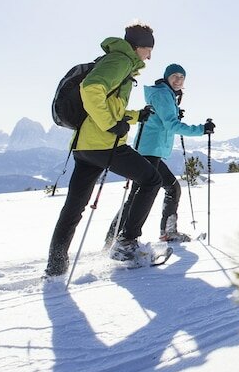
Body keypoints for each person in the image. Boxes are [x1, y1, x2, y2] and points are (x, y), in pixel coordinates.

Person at [44, 23, 163, 277]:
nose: (149, 56)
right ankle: (126, 243)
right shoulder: (120, 61)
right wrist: (111, 125)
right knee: (152, 179)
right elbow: (91, 90)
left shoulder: (117, 61)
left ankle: (56, 266)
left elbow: (109, 106)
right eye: (148, 49)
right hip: (104, 144)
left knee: (74, 207)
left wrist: (134, 116)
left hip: (85, 146)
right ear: (137, 46)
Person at [107, 63, 215, 245]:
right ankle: (122, 239)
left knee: (167, 189)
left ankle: (118, 238)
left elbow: (163, 118)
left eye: (182, 77)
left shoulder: (166, 95)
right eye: (175, 76)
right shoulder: (163, 94)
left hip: (151, 150)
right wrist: (201, 129)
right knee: (147, 193)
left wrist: (173, 111)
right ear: (167, 77)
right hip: (149, 150)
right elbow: (171, 125)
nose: (178, 80)